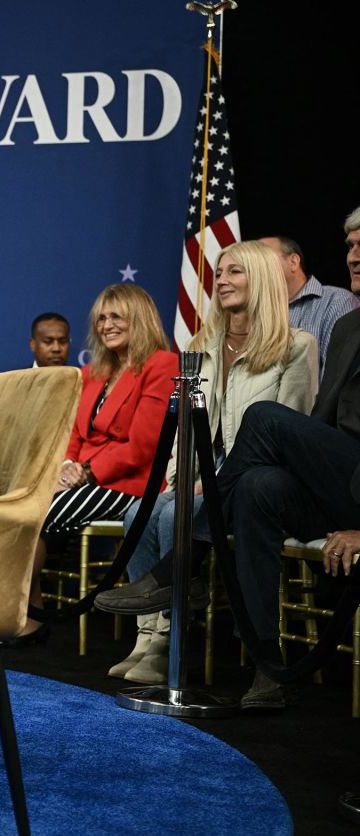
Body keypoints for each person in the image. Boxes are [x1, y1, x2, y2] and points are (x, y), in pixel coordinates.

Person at [97, 208, 360, 711]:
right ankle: (262, 665)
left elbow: (292, 424)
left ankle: (179, 567)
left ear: (261, 279)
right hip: (291, 477)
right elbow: (319, 422)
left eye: (234, 271)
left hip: (326, 476)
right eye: (348, 246)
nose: (352, 256)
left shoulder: (300, 343)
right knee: (241, 491)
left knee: (261, 423)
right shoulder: (346, 328)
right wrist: (185, 476)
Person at [22, 284, 174, 641]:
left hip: (129, 482)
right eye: (101, 318)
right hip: (83, 476)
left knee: (34, 515)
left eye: (116, 316)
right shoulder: (94, 371)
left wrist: (86, 472)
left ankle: (29, 617)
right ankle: (26, 612)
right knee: (19, 512)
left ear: (139, 319)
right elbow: (77, 434)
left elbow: (143, 447)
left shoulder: (161, 364)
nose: (106, 325)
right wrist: (67, 465)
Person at [256, 235, 357, 377]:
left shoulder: (336, 302)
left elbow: (336, 378)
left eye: (263, 257)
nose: (254, 266)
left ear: (293, 262)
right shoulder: (254, 313)